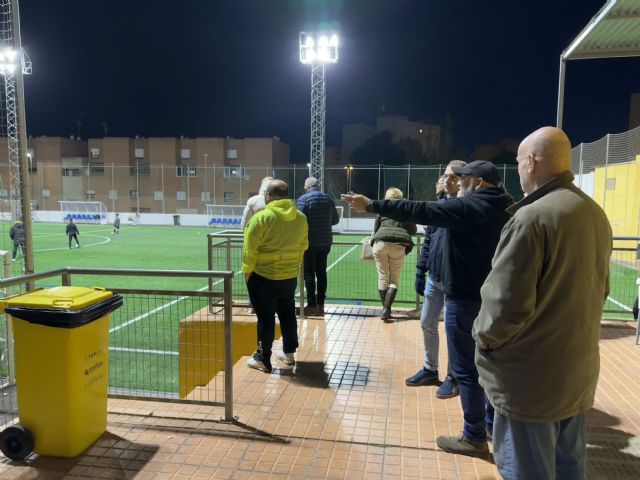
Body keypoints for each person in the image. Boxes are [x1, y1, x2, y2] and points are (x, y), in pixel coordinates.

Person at [342, 159, 511, 457]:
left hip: (464, 300)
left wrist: (371, 204)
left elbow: (418, 209)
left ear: (478, 182)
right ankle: (490, 426)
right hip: (495, 300)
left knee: (466, 370)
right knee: (490, 367)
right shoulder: (509, 208)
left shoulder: (468, 207)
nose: (459, 183)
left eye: (464, 179)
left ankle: (474, 436)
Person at [473, 127, 612, 478]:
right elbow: (602, 290)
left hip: (529, 385)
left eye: (519, 161)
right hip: (575, 376)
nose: (518, 169)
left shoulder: (531, 218)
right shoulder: (594, 213)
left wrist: (481, 338)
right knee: (569, 468)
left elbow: (504, 309)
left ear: (532, 163)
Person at [406, 162, 465, 402]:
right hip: (434, 277)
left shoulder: (466, 207)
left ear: (464, 180)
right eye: (446, 176)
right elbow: (429, 241)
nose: (447, 180)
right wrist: (421, 270)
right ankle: (430, 369)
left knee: (452, 331)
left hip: (455, 281)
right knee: (427, 323)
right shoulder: (439, 206)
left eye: (453, 177)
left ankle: (454, 376)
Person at [243, 179, 309, 373]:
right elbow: (303, 245)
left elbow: (249, 250)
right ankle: (289, 353)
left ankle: (263, 358)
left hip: (263, 276)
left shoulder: (261, 218)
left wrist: (248, 273)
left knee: (265, 318)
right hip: (289, 276)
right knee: (287, 314)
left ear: (267, 196)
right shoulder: (300, 218)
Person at [370, 187, 417, 322]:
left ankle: (385, 310)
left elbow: (376, 228)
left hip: (380, 243)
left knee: (382, 277)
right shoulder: (406, 207)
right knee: (394, 279)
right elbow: (413, 229)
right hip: (398, 245)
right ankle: (387, 309)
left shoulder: (382, 207)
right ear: (400, 196)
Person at [296, 177, 340, 315]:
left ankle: (311, 305)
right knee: (321, 272)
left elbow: (298, 220)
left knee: (309, 273)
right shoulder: (328, 199)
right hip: (325, 241)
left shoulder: (303, 199)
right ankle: (321, 305)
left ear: (306, 188)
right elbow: (335, 220)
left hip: (309, 242)